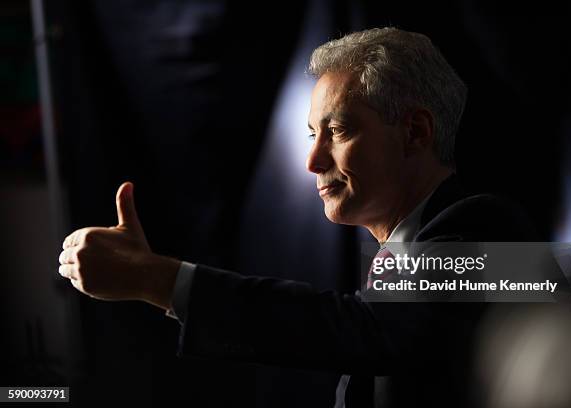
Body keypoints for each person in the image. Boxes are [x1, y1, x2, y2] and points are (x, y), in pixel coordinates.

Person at [58, 28, 535, 407]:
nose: (313, 160)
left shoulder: (495, 235)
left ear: (414, 132)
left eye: (339, 131)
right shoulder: (397, 265)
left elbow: (366, 330)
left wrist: (157, 278)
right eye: (312, 133)